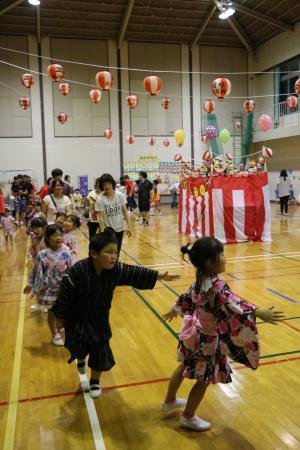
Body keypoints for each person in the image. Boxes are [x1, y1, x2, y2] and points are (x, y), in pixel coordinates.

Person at [161, 237, 284, 431]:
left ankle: (169, 400)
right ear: (211, 263)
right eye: (222, 255)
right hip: (208, 339)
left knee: (184, 365)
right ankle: (188, 416)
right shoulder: (217, 287)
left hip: (195, 333)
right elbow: (232, 303)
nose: (226, 258)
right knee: (204, 379)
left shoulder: (201, 278)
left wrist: (175, 309)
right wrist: (257, 311)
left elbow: (188, 295)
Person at [52, 228, 179, 398]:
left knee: (101, 346)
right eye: (109, 252)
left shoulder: (115, 270)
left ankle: (95, 381)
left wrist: (159, 276)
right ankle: (81, 356)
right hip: (77, 316)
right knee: (78, 344)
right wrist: (60, 318)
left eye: (116, 252)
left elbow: (133, 272)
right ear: (94, 253)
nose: (114, 256)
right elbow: (65, 296)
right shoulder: (77, 271)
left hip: (100, 316)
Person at [23, 224, 73, 346]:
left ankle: (61, 326)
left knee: (64, 311)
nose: (58, 237)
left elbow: (71, 269)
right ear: (48, 238)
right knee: (51, 312)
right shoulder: (42, 254)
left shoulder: (66, 252)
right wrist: (30, 283)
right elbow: (35, 270)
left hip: (64, 288)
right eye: (55, 235)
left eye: (60, 235)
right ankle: (54, 335)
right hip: (49, 289)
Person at [95, 173, 132, 253]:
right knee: (110, 252)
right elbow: (100, 218)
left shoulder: (119, 195)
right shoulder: (100, 199)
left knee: (117, 251)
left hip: (120, 229)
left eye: (109, 184)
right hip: (108, 231)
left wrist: (129, 226)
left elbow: (125, 211)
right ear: (102, 186)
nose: (107, 186)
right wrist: (102, 233)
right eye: (104, 184)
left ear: (113, 184)